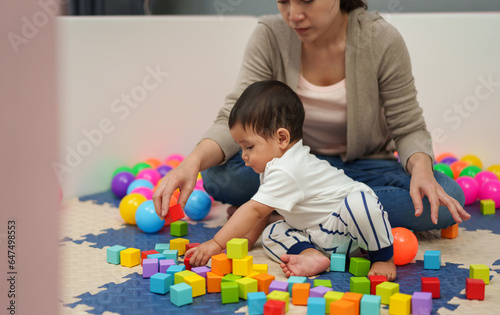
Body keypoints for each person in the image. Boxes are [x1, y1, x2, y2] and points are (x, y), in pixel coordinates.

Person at [153, 0, 470, 250]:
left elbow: (408, 126)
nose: (293, 14)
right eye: (282, 1)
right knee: (217, 176)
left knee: (446, 197)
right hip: (292, 166)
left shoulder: (381, 39)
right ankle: (308, 209)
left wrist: (423, 172)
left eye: (306, 0)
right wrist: (191, 162)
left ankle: (280, 212)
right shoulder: (270, 36)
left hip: (363, 167)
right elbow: (233, 119)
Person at [185, 80, 396, 279]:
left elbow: (254, 210)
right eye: (241, 148)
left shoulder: (288, 168)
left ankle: (384, 256)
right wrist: (247, 240)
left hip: (349, 228)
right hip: (319, 234)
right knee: (272, 233)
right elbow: (263, 213)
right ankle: (311, 254)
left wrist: (216, 242)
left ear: (282, 138)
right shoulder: (271, 167)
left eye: (249, 147)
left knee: (361, 204)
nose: (243, 156)